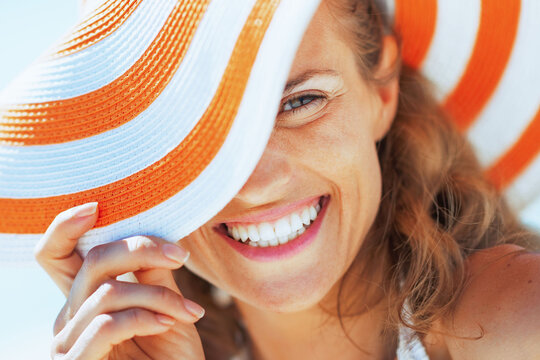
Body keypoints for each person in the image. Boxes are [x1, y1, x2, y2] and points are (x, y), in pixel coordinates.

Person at [33, 0, 539, 359]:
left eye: (301, 102)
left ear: (381, 94)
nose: (255, 184)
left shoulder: (509, 319)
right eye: (195, 139)